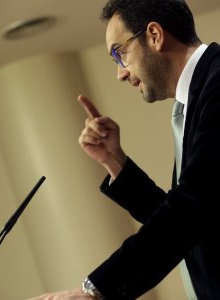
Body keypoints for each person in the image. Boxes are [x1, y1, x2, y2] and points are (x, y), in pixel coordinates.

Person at [27, 0, 220, 299]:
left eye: (120, 53)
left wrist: (93, 291)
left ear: (154, 35)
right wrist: (115, 161)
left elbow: (190, 210)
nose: (120, 73)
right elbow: (191, 220)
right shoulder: (198, 96)